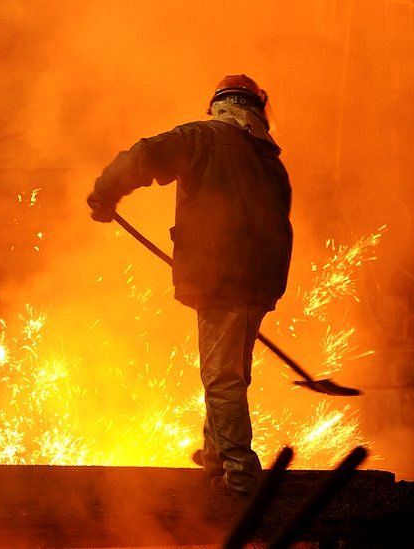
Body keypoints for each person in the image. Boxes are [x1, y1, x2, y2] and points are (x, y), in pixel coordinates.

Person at [87, 74, 293, 496]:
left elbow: (146, 154)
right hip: (260, 280)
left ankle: (240, 475)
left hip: (220, 276)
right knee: (231, 370)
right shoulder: (270, 160)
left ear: (218, 104)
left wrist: (105, 193)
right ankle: (217, 453)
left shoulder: (203, 136)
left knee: (222, 377)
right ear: (257, 109)